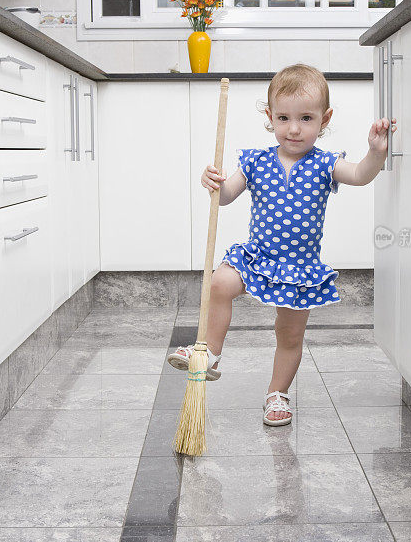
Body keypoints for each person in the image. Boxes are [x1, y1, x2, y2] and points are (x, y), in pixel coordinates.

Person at [167, 63, 396, 427]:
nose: (294, 128)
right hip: (256, 257)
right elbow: (226, 196)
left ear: (325, 119)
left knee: (289, 334)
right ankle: (210, 352)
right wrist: (213, 182)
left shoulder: (325, 163)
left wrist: (376, 154)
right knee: (220, 283)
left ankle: (278, 393)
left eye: (306, 118)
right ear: (270, 117)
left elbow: (360, 175)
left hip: (299, 268)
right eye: (284, 117)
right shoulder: (256, 161)